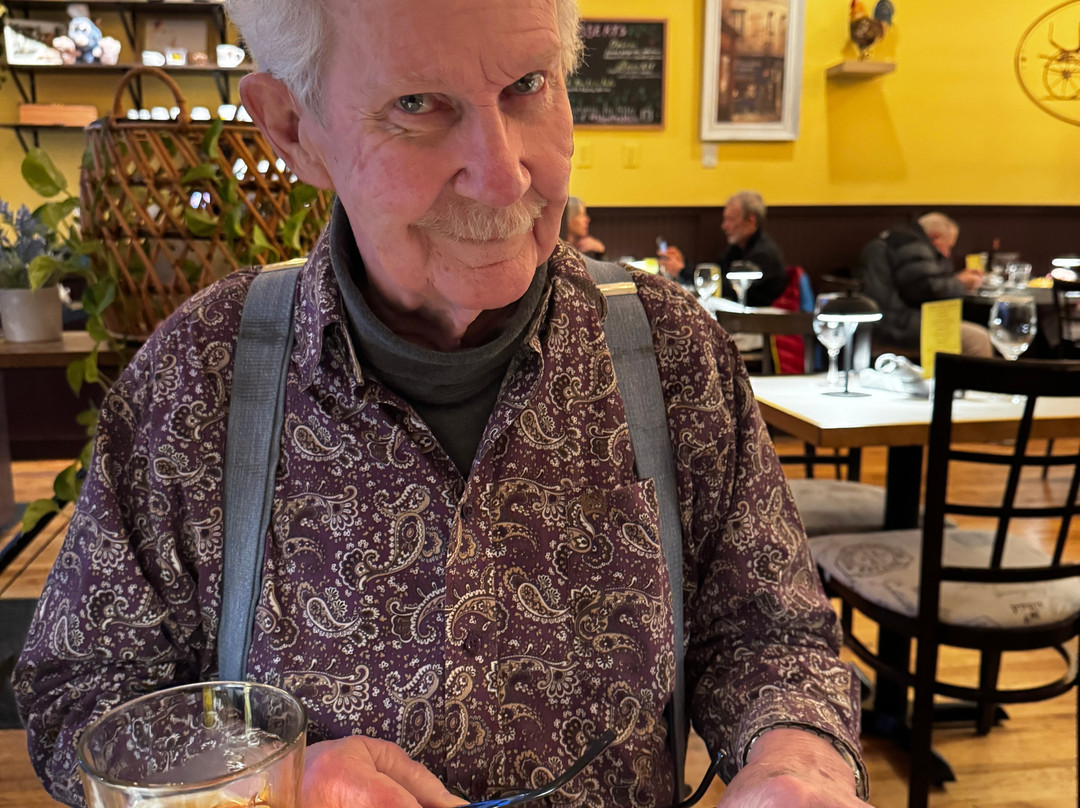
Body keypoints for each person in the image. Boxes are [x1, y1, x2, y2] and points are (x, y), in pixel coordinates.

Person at [14, 2, 869, 807]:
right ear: (294, 129)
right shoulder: (200, 379)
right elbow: (78, 695)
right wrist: (269, 781)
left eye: (528, 85)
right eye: (418, 105)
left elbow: (769, 637)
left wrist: (795, 765)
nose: (502, 177)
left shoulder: (670, 352)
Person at [858, 212, 992, 357]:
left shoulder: (897, 240)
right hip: (896, 325)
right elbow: (925, 290)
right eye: (948, 247)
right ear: (935, 237)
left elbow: (920, 282)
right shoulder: (912, 245)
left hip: (888, 320)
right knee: (978, 339)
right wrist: (960, 283)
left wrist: (956, 280)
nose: (947, 254)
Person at [658, 191, 788, 308]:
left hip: (762, 322)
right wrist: (683, 265)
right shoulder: (736, 249)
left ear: (750, 221)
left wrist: (682, 271)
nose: (724, 226)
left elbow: (725, 289)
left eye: (730, 220)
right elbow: (715, 275)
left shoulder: (764, 254)